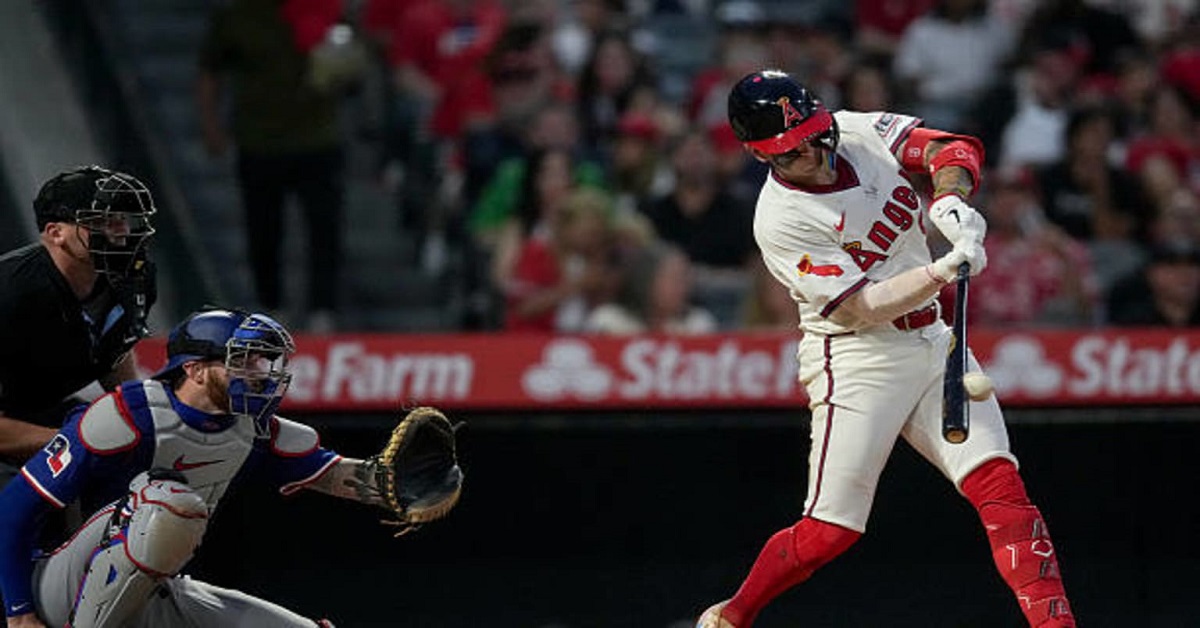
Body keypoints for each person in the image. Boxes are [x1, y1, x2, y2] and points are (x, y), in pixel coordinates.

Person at [697, 70, 1075, 627]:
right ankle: (731, 616)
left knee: (1001, 488)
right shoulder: (780, 219)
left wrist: (950, 200)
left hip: (933, 340)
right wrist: (942, 269)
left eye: (811, 135)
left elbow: (952, 148)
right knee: (832, 530)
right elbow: (861, 306)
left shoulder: (855, 132)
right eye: (790, 149)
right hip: (857, 358)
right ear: (760, 155)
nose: (810, 151)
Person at [0, 307, 450, 627]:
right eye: (243, 359)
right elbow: (13, 510)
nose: (259, 371)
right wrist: (18, 611)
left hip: (153, 590)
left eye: (263, 360)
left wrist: (389, 483)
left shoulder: (253, 430)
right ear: (194, 369)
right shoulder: (124, 416)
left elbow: (331, 473)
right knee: (169, 503)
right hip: (64, 584)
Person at [0, 166, 157, 489]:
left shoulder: (133, 278)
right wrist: (82, 443)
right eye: (101, 221)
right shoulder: (10, 295)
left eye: (122, 219)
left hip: (37, 409)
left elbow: (114, 347)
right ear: (56, 232)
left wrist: (138, 414)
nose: (119, 232)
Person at [198, 0, 346, 331]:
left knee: (325, 229)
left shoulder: (326, 8)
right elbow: (210, 70)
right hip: (260, 141)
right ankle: (271, 306)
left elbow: (350, 64)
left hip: (317, 138)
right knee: (263, 229)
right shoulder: (237, 15)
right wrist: (211, 125)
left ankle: (323, 311)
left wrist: (335, 60)